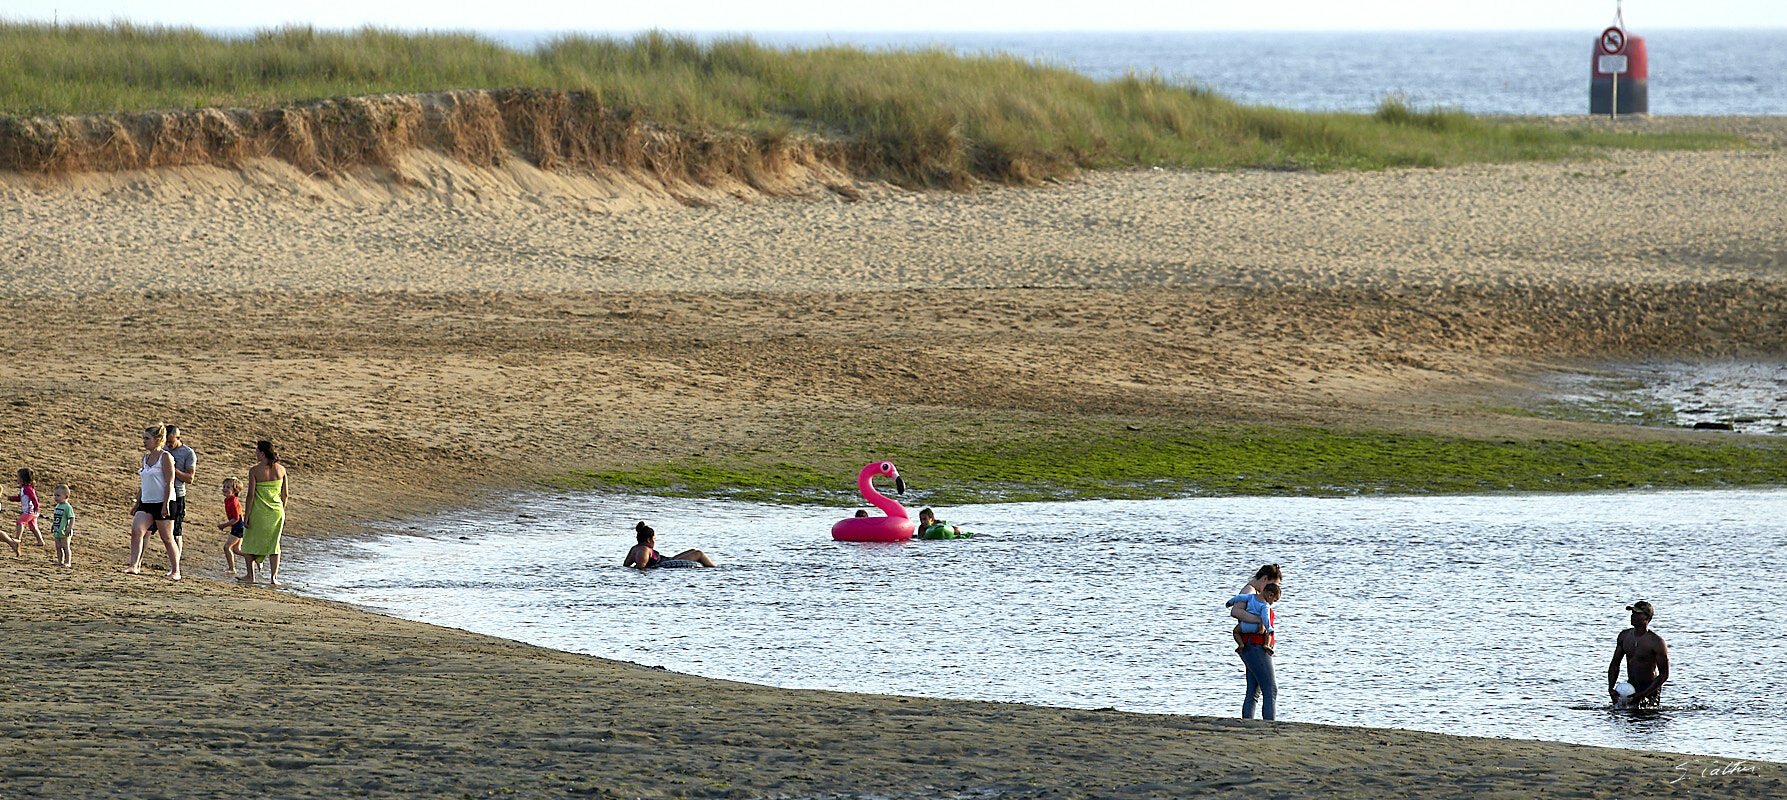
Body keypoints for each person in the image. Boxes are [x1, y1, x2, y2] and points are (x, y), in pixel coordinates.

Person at [123, 425, 182, 580]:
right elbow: (144, 483)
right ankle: (134, 565)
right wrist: (137, 503)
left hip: (164, 502)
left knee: (167, 538)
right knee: (137, 530)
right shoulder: (145, 458)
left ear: (157, 440)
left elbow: (170, 482)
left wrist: (165, 505)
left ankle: (176, 571)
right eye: (143, 438)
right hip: (147, 502)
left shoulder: (166, 457)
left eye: (147, 438)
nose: (144, 441)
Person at [1228, 582, 1281, 721]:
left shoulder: (1250, 597)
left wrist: (1230, 602)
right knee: (1270, 689)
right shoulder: (1262, 604)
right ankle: (1269, 724)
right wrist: (1267, 629)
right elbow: (1266, 623)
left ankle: (1247, 723)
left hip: (1249, 645)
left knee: (1253, 691)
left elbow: (1237, 600)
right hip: (1256, 646)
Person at [239, 440, 287, 585]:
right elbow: (285, 495)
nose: (255, 453)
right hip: (277, 512)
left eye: (256, 451)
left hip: (258, 512)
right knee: (274, 545)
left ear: (262, 453)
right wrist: (281, 511)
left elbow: (250, 496)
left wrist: (246, 516)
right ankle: (273, 577)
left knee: (249, 541)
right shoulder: (281, 470)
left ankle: (250, 575)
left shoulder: (254, 471)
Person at [1608, 600, 1669, 708]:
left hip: (1650, 689)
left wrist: (1643, 694)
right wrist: (1611, 689)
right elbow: (1615, 664)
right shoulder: (1624, 636)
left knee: (1646, 719)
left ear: (1647, 618)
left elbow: (1664, 674)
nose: (1633, 616)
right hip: (1631, 686)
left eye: (1637, 613)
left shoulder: (1656, 642)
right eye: (1632, 613)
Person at [1229, 564, 1283, 651]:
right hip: (1253, 644)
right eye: (1273, 585)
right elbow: (1235, 611)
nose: (1274, 589)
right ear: (1264, 578)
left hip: (1258, 645)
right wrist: (1260, 620)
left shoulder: (1259, 594)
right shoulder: (1249, 591)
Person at [623, 521, 715, 569]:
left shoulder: (634, 549)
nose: (654, 542)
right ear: (648, 539)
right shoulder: (644, 550)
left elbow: (626, 564)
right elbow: (641, 567)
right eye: (654, 539)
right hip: (665, 563)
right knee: (699, 553)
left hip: (667, 560)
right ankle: (715, 570)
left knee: (693, 551)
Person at [165, 426, 196, 546]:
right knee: (148, 528)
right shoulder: (163, 449)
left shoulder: (188, 453)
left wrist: (173, 469)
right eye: (166, 441)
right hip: (160, 493)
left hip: (177, 495)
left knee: (176, 531)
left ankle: (176, 561)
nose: (168, 445)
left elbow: (189, 478)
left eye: (171, 442)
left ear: (178, 438)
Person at [9, 468, 46, 550]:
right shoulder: (24, 488)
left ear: (22, 479)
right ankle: (40, 541)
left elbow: (33, 498)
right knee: (33, 526)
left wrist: (36, 506)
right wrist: (13, 498)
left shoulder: (27, 488)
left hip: (30, 511)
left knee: (20, 522)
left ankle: (18, 538)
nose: (17, 479)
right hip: (33, 512)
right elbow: (20, 498)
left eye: (18, 477)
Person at [216, 477, 246, 576]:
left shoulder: (233, 501)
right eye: (224, 486)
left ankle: (232, 568)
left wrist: (223, 525)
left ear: (234, 490)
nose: (224, 489)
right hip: (237, 526)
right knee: (237, 550)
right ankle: (253, 557)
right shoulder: (227, 500)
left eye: (228, 487)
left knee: (227, 547)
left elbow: (236, 519)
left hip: (238, 526)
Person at [48, 484, 75, 567]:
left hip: (64, 531)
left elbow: (72, 518)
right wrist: (53, 525)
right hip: (57, 530)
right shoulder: (58, 506)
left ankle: (68, 562)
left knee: (65, 547)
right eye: (55, 495)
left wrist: (69, 528)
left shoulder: (67, 507)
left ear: (66, 496)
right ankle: (60, 561)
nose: (56, 497)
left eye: (58, 495)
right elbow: (57, 517)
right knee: (58, 547)